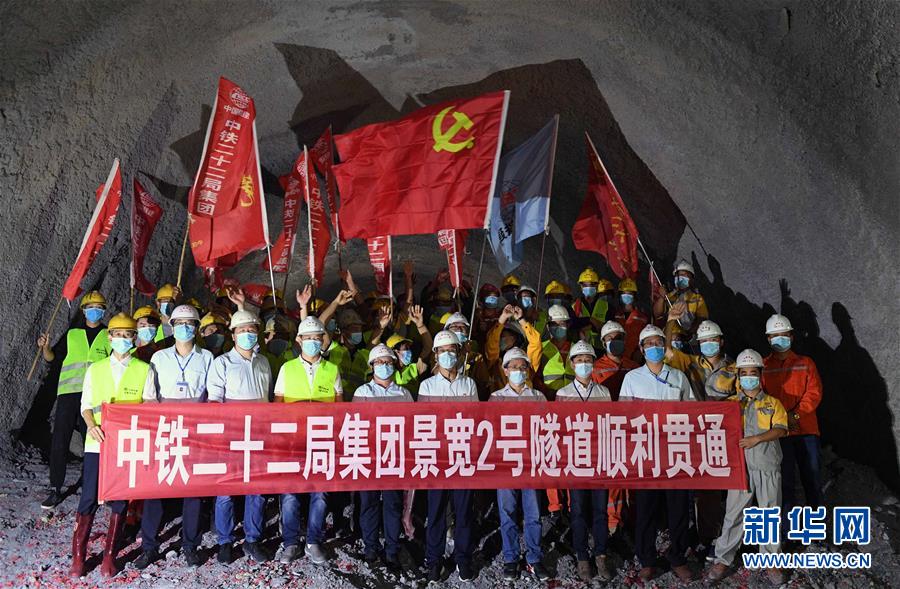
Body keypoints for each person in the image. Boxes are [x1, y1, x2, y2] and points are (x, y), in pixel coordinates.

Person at [69, 312, 156, 578]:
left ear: (134, 338)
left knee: (119, 499)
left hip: (125, 445)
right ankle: (79, 557)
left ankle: (109, 557)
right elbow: (85, 406)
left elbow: (150, 405)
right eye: (117, 335)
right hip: (97, 442)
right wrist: (91, 425)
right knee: (88, 498)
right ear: (110, 337)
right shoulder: (95, 369)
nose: (121, 339)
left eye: (126, 335)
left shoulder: (144, 369)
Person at [136, 305, 214, 569]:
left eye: (190, 323)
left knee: (192, 490)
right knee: (155, 488)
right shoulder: (159, 358)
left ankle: (190, 545)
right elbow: (149, 395)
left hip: (194, 431)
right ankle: (149, 546)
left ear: (197, 326)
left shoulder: (207, 358)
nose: (184, 327)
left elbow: (212, 397)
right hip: (165, 429)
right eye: (179, 322)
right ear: (171, 325)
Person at [620, 324, 696, 582]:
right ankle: (647, 559)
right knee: (646, 508)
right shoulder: (632, 378)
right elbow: (624, 416)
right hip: (645, 453)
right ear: (641, 349)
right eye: (648, 344)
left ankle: (678, 557)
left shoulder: (678, 377)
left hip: (675, 451)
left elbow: (693, 411)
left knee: (678, 509)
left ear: (665, 347)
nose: (654, 348)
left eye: (658, 343)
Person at [707, 349, 787, 585]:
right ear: (738, 377)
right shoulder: (731, 404)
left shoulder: (773, 403)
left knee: (769, 513)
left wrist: (757, 439)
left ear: (760, 375)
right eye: (744, 373)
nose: (749, 377)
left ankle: (772, 562)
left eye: (753, 373)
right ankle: (723, 559)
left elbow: (781, 429)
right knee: (734, 513)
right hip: (740, 469)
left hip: (767, 465)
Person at [664, 313, 737, 553]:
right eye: (704, 341)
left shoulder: (735, 368)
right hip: (698, 434)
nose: (708, 344)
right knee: (701, 487)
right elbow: (667, 354)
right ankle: (704, 535)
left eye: (712, 340)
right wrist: (670, 321)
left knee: (722, 488)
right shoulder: (692, 362)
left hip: (725, 434)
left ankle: (718, 534)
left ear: (721, 341)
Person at [274, 316, 342, 565]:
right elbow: (278, 406)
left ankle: (314, 541)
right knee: (290, 494)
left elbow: (339, 408)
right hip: (292, 441)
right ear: (299, 340)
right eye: (309, 338)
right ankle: (291, 542)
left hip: (322, 440)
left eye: (318, 338)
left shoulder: (332, 369)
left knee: (320, 494)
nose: (313, 342)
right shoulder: (287, 368)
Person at [207, 310, 273, 564]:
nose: (247, 334)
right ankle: (225, 541)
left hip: (259, 434)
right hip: (231, 435)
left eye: (251, 330)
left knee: (257, 489)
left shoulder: (263, 362)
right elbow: (214, 401)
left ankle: (252, 539)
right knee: (226, 489)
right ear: (233, 334)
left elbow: (265, 400)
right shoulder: (222, 363)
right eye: (242, 330)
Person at [37, 290, 112, 510]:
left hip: (94, 397)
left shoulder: (108, 336)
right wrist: (45, 347)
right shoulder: (72, 335)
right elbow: (53, 358)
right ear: (83, 310)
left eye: (99, 307)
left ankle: (96, 488)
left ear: (104, 311)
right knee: (60, 440)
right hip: (69, 394)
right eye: (91, 307)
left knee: (95, 442)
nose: (94, 311)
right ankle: (55, 488)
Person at [418, 330, 480, 582]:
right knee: (436, 513)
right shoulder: (427, 385)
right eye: (442, 351)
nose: (447, 355)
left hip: (462, 456)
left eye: (452, 350)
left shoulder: (469, 384)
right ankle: (434, 561)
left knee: (463, 513)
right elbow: (422, 423)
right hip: (437, 457)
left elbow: (475, 421)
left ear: (459, 353)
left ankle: (463, 559)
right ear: (435, 354)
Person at [489, 347, 552, 581]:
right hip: (506, 464)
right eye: (513, 367)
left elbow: (547, 429)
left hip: (530, 463)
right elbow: (490, 431)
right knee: (507, 512)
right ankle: (511, 558)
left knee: (533, 513)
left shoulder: (538, 397)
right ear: (505, 371)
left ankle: (534, 558)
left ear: (528, 370)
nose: (518, 371)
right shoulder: (496, 398)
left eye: (522, 367)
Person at [556, 340, 613, 582]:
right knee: (577, 509)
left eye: (588, 360)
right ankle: (581, 555)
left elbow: (610, 426)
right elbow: (558, 428)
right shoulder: (563, 394)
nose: (584, 364)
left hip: (599, 459)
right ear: (571, 364)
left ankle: (600, 554)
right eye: (579, 360)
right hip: (575, 460)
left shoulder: (604, 392)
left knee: (600, 510)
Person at [354, 344, 414, 572]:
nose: (384, 366)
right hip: (368, 456)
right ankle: (370, 547)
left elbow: (411, 425)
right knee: (368, 503)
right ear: (371, 367)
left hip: (394, 457)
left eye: (388, 362)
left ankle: (391, 549)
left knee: (392, 505)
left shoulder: (404, 393)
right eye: (379, 363)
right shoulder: (362, 393)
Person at [762, 314, 824, 524]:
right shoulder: (763, 367)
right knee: (785, 482)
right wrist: (781, 418)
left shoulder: (805, 363)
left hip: (806, 430)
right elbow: (760, 398)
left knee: (812, 480)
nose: (780, 339)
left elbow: (813, 394)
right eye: (775, 336)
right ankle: (790, 530)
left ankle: (818, 529)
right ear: (768, 339)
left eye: (784, 335)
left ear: (791, 336)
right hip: (779, 433)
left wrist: (794, 415)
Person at [651, 260, 708, 336]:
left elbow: (702, 319)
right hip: (668, 336)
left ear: (692, 280)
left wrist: (689, 333)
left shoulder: (698, 298)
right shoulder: (668, 296)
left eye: (685, 275)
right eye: (678, 275)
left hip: (687, 338)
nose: (681, 277)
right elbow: (657, 314)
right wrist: (661, 297)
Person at [384, 305, 431, 396]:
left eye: (409, 348)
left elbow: (428, 347)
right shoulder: (385, 371)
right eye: (405, 348)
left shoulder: (414, 368)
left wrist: (420, 325)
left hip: (412, 410)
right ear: (394, 351)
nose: (409, 351)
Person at [592, 321, 639, 400]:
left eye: (618, 338)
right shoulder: (594, 369)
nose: (614, 341)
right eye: (609, 338)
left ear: (624, 340)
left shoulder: (634, 367)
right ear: (603, 343)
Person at [538, 304, 574, 397]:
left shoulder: (576, 348)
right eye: (554, 324)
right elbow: (534, 376)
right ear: (548, 327)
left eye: (561, 323)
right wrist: (545, 392)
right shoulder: (541, 347)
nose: (558, 327)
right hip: (549, 398)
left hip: (574, 398)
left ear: (568, 325)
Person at [613, 277, 648, 361]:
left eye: (630, 293)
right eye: (624, 293)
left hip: (636, 357)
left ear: (634, 296)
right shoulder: (614, 315)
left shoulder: (643, 317)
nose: (627, 296)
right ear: (620, 296)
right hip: (618, 356)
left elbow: (646, 337)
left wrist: (640, 352)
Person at [572, 268, 612, 332]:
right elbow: (572, 327)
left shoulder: (607, 306)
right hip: (581, 341)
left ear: (597, 285)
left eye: (592, 284)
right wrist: (591, 320)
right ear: (581, 287)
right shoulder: (574, 306)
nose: (588, 287)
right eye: (585, 285)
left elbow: (611, 328)